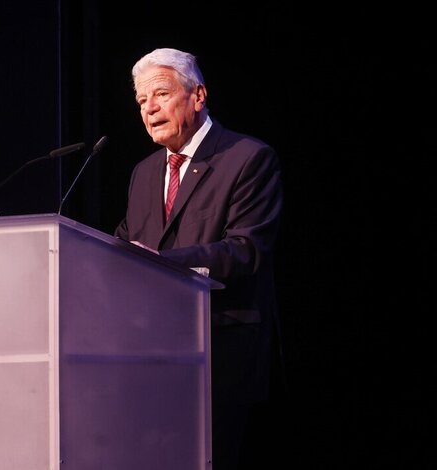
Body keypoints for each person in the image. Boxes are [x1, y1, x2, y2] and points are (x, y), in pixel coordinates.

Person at [115, 47, 283, 470]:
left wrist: (162, 262)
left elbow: (246, 250)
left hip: (221, 357)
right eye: (140, 101)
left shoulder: (247, 158)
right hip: (153, 357)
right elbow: (123, 245)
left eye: (160, 94)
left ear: (198, 95)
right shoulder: (144, 173)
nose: (149, 109)